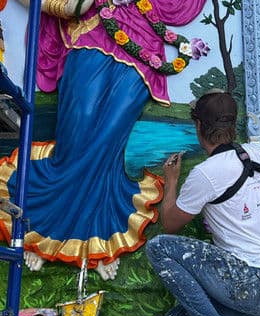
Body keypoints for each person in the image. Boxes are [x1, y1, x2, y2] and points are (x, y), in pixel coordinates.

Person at [0, 0, 208, 280]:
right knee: (76, 132)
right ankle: (40, 229)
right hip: (89, 32)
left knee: (109, 141)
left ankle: (96, 242)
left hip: (139, 41)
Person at [146, 91, 260, 316]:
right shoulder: (259, 155)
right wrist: (257, 235)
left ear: (198, 125)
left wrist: (171, 182)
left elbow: (170, 224)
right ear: (233, 124)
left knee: (159, 247)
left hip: (254, 284)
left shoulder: (205, 174)